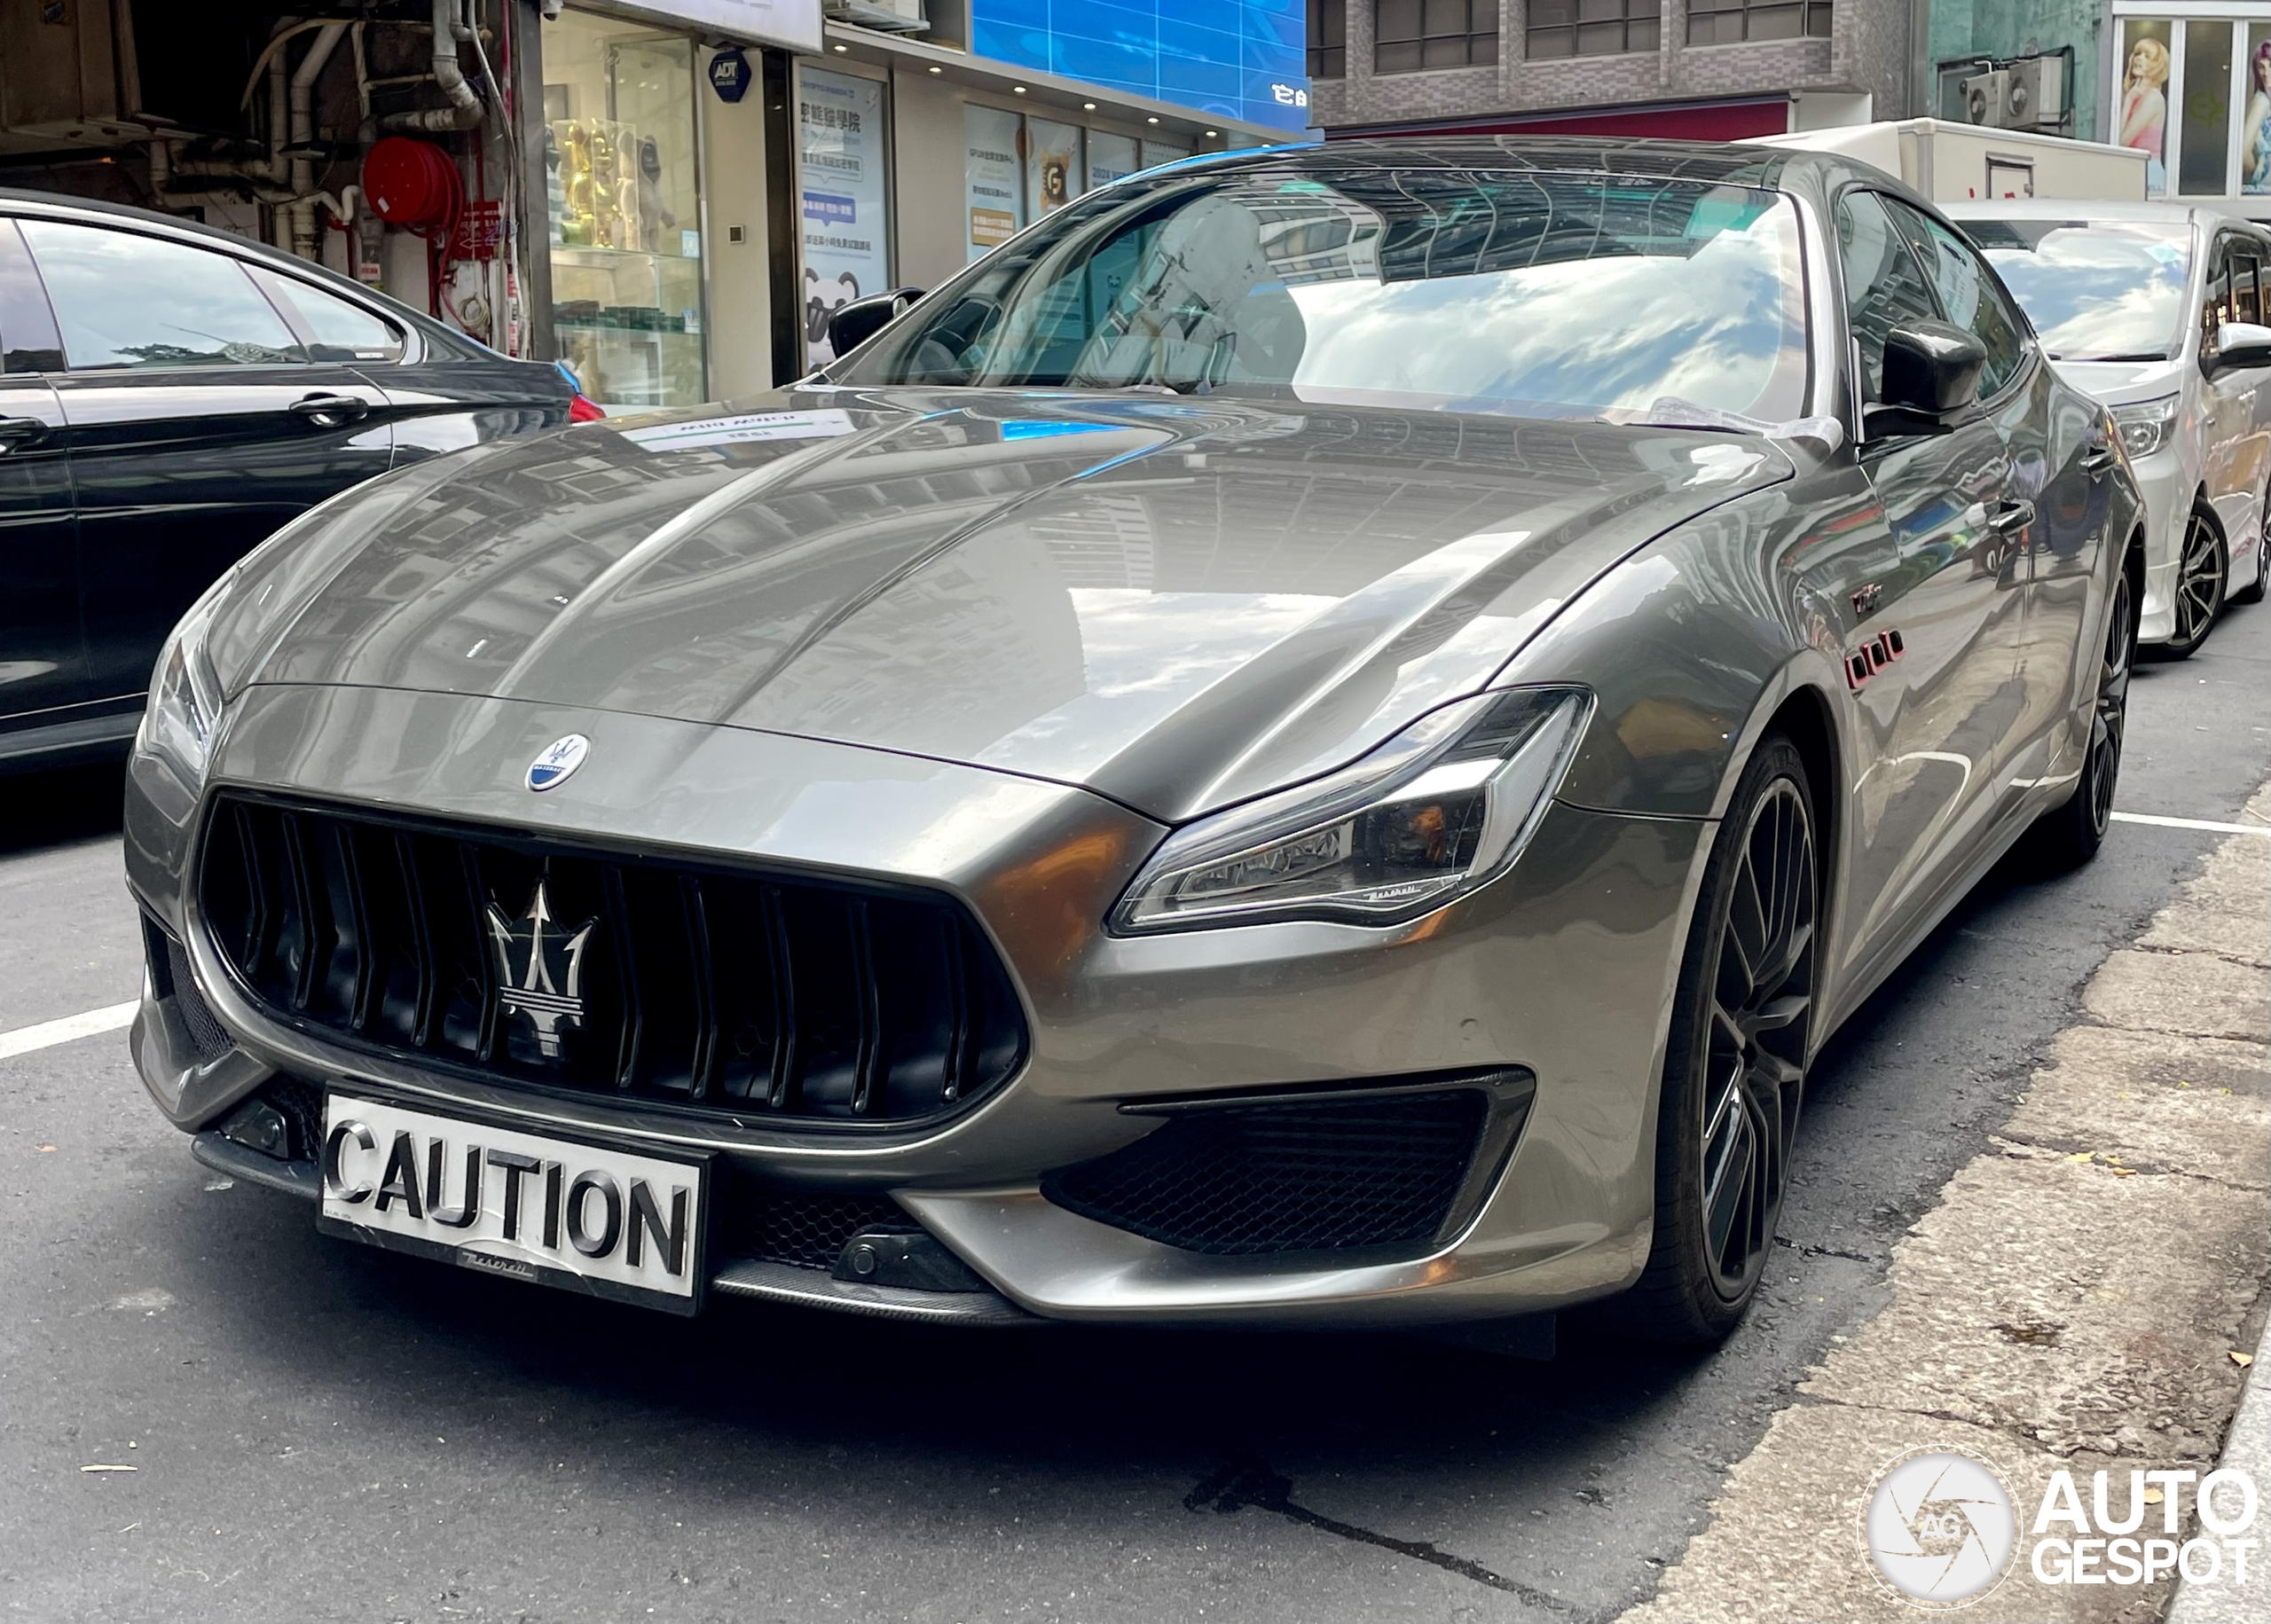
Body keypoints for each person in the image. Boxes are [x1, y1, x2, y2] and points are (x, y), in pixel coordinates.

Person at [2119, 34, 2171, 194]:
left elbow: (2121, 142)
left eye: (2147, 56)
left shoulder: (2153, 99)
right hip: (2136, 170)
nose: (2139, 59)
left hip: (2148, 174)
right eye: (2137, 54)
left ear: (2157, 65)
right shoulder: (2135, 94)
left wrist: (2127, 102)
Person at [2248, 43, 2271, 193]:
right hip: (2264, 191)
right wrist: (2259, 169)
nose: (2266, 73)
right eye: (2261, 67)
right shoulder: (2262, 101)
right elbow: (2243, 152)